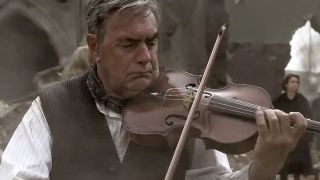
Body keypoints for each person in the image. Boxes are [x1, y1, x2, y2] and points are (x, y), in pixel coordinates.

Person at [0, 0, 308, 179]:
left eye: (152, 42)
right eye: (129, 44)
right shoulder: (53, 105)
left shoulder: (186, 111)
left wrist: (265, 164)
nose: (146, 58)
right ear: (95, 47)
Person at [273, 74, 313, 180]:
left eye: (297, 82)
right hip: (284, 137)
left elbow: (308, 117)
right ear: (286, 84)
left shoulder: (302, 100)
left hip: (299, 138)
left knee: (297, 168)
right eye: (292, 82)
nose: (295, 84)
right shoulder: (278, 100)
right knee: (284, 167)